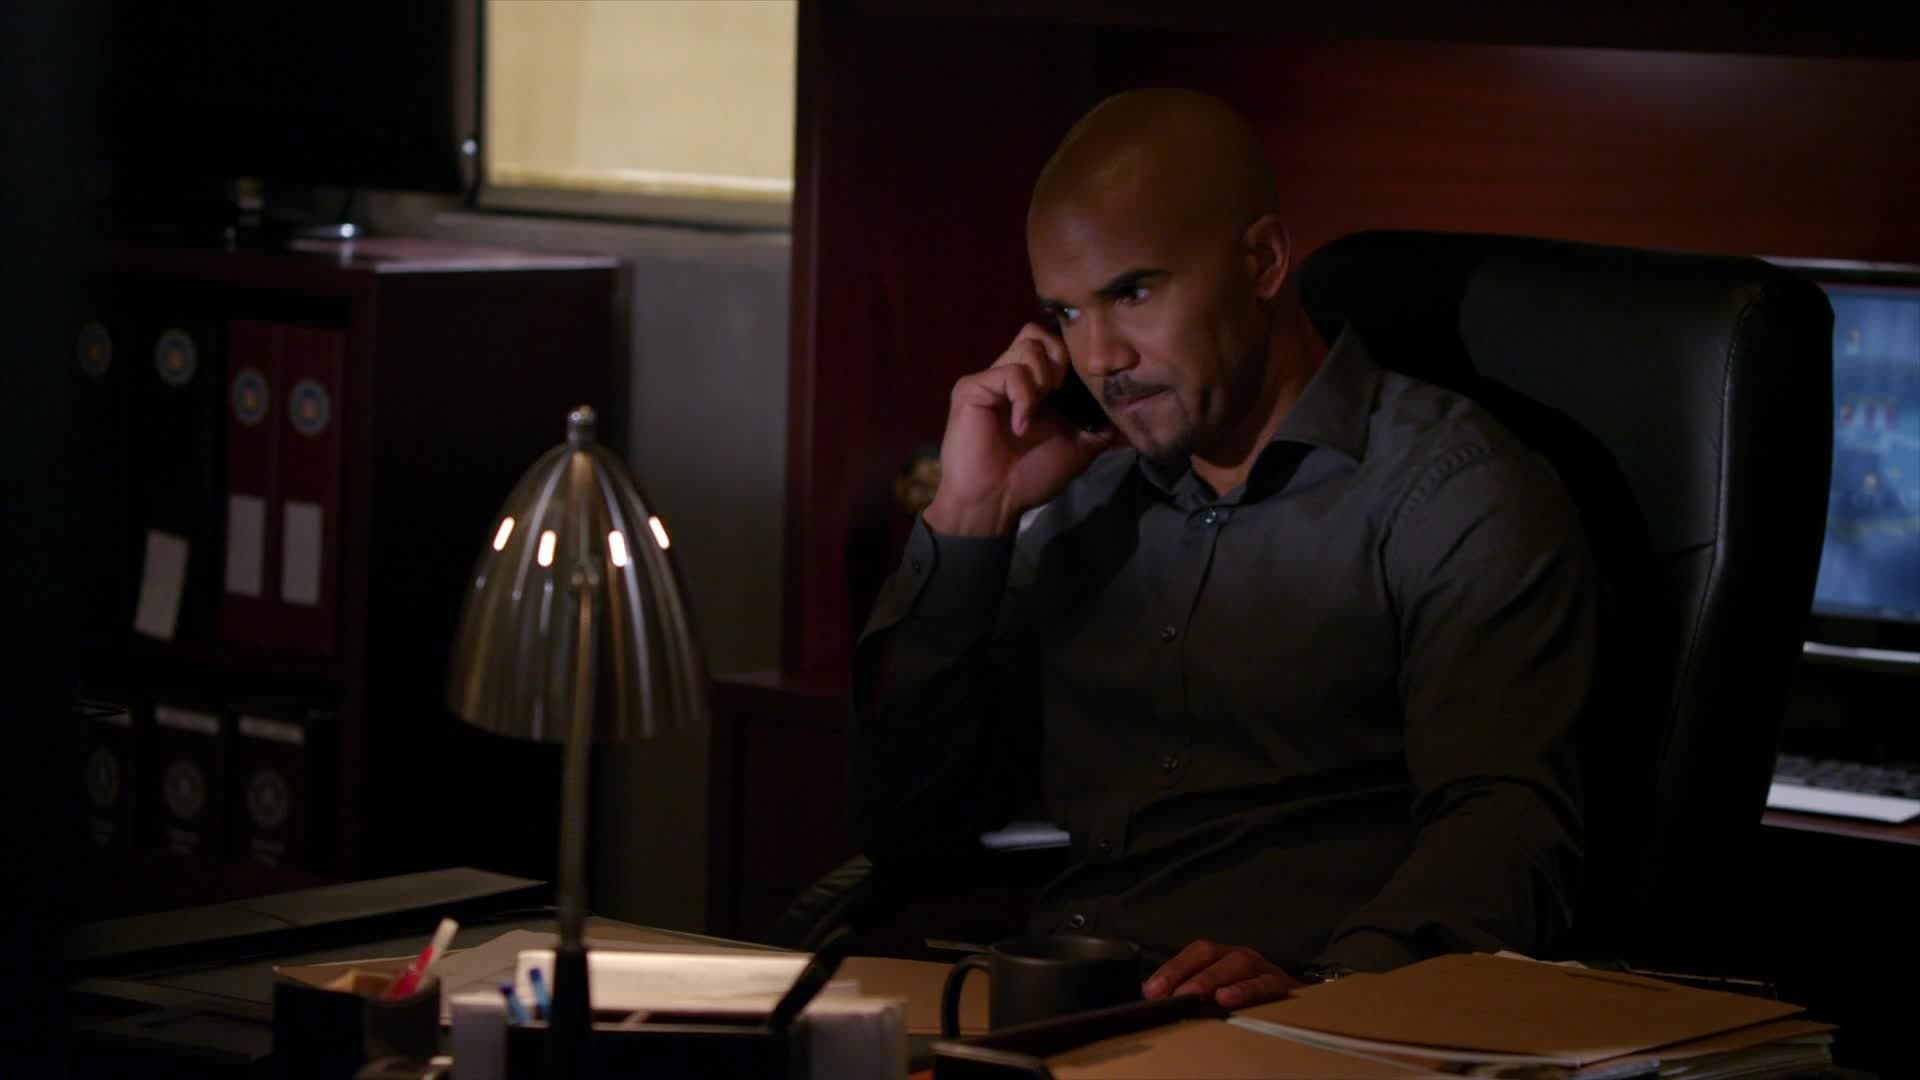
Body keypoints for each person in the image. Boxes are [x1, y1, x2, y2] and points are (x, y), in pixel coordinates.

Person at [850, 87, 1596, 1009]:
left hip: (1302, 1020)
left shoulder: (1451, 493)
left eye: (1132, 293)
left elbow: (1506, 830)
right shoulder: (1084, 499)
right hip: (1066, 1008)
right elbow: (909, 825)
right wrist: (970, 516)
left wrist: (1335, 990)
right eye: (1067, 313)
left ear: (1263, 261)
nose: (1099, 358)